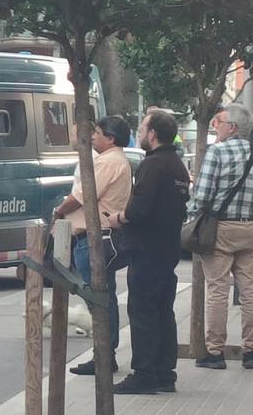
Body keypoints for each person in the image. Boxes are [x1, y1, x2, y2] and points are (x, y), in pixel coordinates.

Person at [112, 111, 191, 394]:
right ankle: (164, 373)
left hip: (147, 249)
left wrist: (119, 218)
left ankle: (143, 373)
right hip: (168, 248)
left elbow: (139, 210)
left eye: (143, 128)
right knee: (162, 312)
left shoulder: (152, 166)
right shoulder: (178, 167)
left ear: (153, 134)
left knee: (143, 312)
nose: (140, 132)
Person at [190, 103, 253, 371]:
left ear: (232, 127)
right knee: (250, 291)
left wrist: (191, 215)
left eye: (219, 122)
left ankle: (215, 351)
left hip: (222, 229)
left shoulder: (217, 152)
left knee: (218, 290)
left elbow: (201, 196)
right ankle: (251, 351)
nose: (216, 126)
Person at [53, 116, 132, 376]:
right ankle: (105, 354)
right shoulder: (114, 160)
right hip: (95, 237)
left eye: (97, 132)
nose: (93, 137)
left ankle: (104, 355)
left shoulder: (108, 161)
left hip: (93, 239)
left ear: (111, 138)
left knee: (98, 299)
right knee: (103, 297)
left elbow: (82, 195)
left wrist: (60, 210)